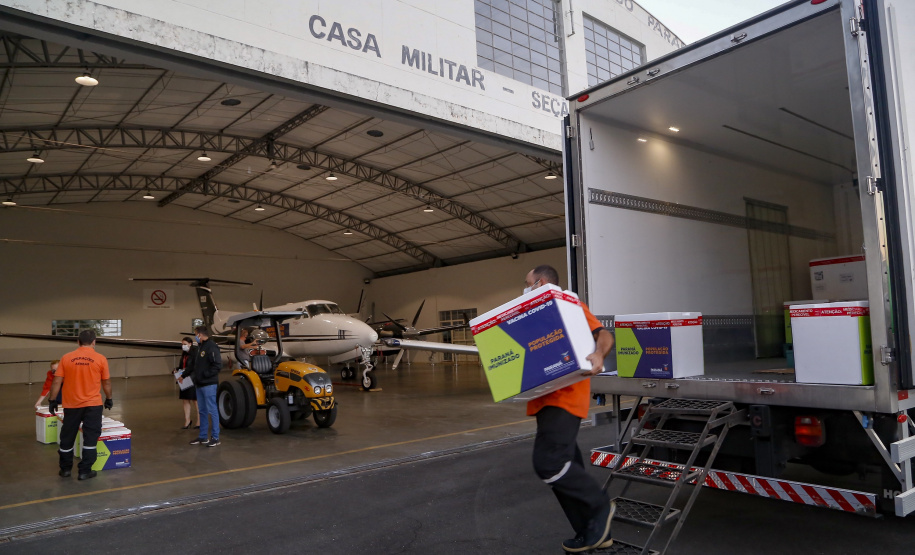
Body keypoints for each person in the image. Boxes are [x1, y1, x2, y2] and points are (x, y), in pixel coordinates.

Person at [524, 264, 617, 553]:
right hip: (545, 397)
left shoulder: (568, 305)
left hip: (563, 397)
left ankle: (600, 506)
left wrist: (598, 354)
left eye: (527, 283)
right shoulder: (535, 318)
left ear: (540, 283)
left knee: (549, 464)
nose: (524, 288)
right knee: (565, 470)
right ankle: (591, 531)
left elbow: (604, 335)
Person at [48, 330, 113, 481]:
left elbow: (57, 381)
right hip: (93, 405)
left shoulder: (66, 358)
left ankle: (65, 469)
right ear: (94, 342)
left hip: (71, 404)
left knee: (67, 436)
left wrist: (52, 400)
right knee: (91, 437)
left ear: (78, 342)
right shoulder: (101, 358)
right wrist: (109, 398)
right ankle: (85, 471)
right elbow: (107, 382)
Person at [188, 326, 221, 447]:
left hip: (209, 384)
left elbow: (217, 365)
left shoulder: (212, 346)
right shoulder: (200, 347)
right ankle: (203, 437)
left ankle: (215, 437)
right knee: (202, 411)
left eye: (196, 334)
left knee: (212, 410)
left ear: (200, 335)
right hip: (200, 384)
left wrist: (204, 375)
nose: (195, 337)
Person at [176, 337, 199, 429]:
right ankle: (187, 420)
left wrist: (184, 374)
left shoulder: (195, 353)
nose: (183, 346)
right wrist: (177, 370)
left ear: (190, 343)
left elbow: (193, 367)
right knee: (185, 399)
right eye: (182, 344)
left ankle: (199, 421)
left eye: (185, 344)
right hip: (184, 378)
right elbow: (182, 366)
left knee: (195, 400)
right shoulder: (184, 354)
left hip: (192, 378)